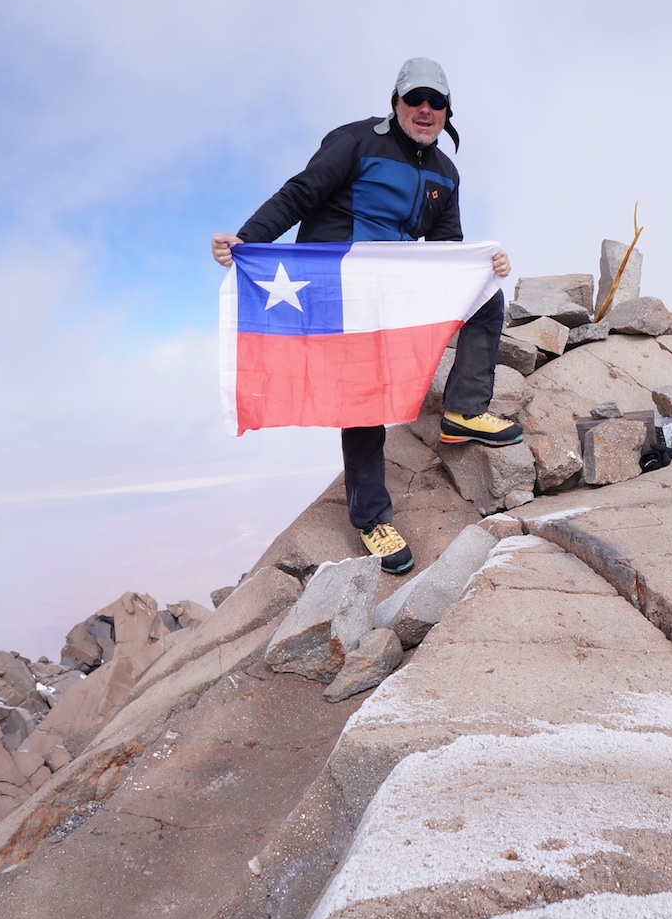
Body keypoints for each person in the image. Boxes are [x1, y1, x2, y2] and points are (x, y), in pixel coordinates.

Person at [211, 57, 520, 576]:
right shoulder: (355, 141)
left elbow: (444, 247)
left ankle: (464, 411)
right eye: (415, 99)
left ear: (447, 111)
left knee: (487, 298)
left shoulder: (446, 173)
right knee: (363, 395)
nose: (425, 110)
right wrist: (250, 237)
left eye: (436, 102)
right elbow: (301, 192)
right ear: (396, 102)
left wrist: (481, 270)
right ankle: (372, 519)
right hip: (339, 284)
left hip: (392, 283)